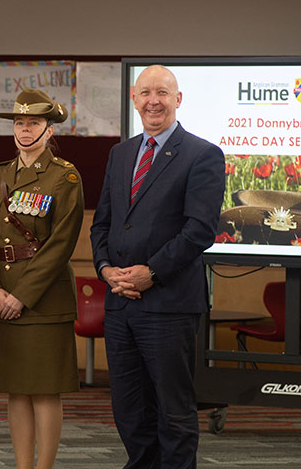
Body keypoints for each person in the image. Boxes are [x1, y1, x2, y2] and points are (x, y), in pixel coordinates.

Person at [89, 64, 225, 469]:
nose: (154, 101)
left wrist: (151, 272)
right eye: (146, 93)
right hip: (120, 305)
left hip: (169, 306)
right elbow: (104, 222)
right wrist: (104, 269)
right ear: (134, 99)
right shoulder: (121, 153)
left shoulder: (202, 155)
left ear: (177, 99)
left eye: (163, 93)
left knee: (174, 411)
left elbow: (199, 231)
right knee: (130, 411)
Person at [0, 88, 84, 469]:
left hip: (42, 300)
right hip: (1, 295)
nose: (24, 129)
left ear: (49, 130)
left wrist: (21, 295)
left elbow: (61, 244)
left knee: (44, 391)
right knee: (15, 391)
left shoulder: (64, 177)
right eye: (19, 123)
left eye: (33, 122)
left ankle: (44, 467)